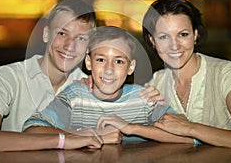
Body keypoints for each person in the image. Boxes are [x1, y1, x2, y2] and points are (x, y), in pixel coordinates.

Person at [0, 0, 104, 156]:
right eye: (62, 33)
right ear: (46, 34)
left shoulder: (87, 86)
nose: (69, 45)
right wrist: (62, 140)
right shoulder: (11, 77)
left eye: (81, 38)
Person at [23, 26, 193, 144]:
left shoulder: (143, 98)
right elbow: (32, 130)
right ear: (89, 62)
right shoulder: (75, 96)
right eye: (101, 59)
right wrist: (89, 135)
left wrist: (131, 128)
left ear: (130, 67)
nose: (109, 69)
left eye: (118, 61)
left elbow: (187, 137)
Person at [140, 0, 231, 152]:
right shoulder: (156, 82)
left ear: (195, 34)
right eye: (164, 37)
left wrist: (190, 128)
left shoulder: (223, 72)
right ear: (152, 41)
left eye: (183, 34)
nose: (174, 46)